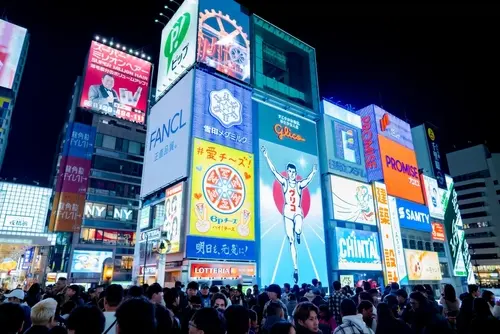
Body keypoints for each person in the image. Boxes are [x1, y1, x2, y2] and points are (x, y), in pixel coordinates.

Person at [261, 145, 317, 283]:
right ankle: (296, 268)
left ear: (295, 172)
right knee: (291, 241)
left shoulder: (298, 184)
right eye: (289, 171)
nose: (291, 173)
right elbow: (274, 171)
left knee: (298, 228)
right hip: (287, 213)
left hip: (297, 211)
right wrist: (267, 156)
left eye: (293, 172)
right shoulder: (284, 183)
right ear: (287, 172)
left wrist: (314, 171)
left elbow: (308, 180)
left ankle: (299, 232)